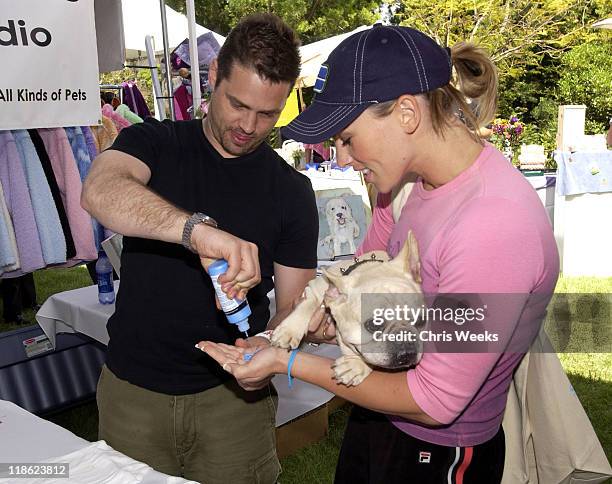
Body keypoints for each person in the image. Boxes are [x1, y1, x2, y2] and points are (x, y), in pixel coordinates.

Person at [199, 24, 560, 483]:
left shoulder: (493, 224)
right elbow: (358, 295)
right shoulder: (403, 188)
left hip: (438, 449)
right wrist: (290, 332)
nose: (343, 158)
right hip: (377, 413)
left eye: (348, 138)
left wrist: (288, 362)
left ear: (407, 113)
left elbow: (435, 401)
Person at [81, 13, 319, 483]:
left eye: (268, 113)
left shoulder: (290, 190)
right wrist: (198, 233)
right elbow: (99, 191)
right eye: (237, 104)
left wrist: (268, 347)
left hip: (233, 406)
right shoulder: (154, 141)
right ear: (212, 77)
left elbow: (294, 305)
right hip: (134, 394)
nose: (249, 126)